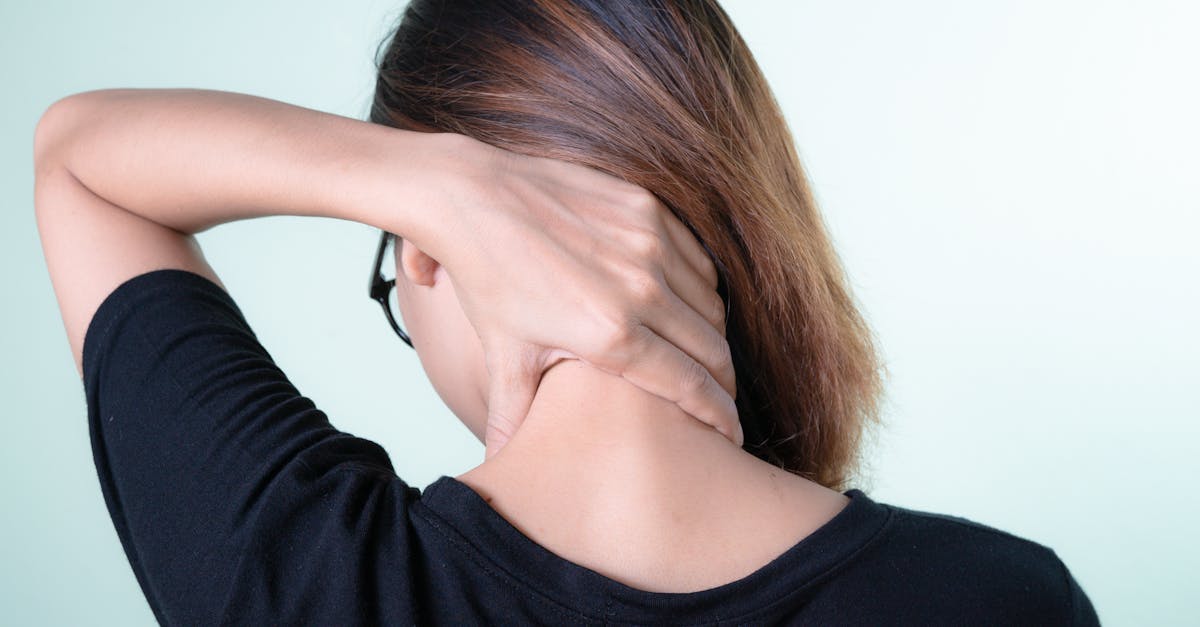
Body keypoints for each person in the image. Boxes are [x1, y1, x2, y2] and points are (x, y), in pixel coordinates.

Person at [33, 0, 1099, 624]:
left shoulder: (300, 574)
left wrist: (434, 183)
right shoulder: (1001, 600)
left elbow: (77, 159)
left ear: (430, 259)